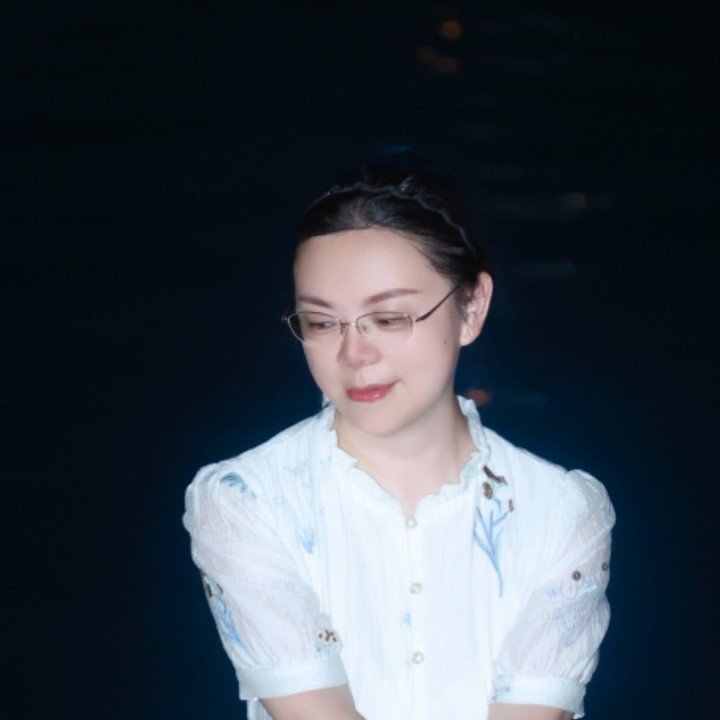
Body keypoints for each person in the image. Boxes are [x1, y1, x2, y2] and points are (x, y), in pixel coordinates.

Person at [183, 168, 615, 720]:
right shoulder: (245, 499)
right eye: (321, 323)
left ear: (472, 307)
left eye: (388, 318)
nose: (354, 354)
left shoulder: (561, 510)